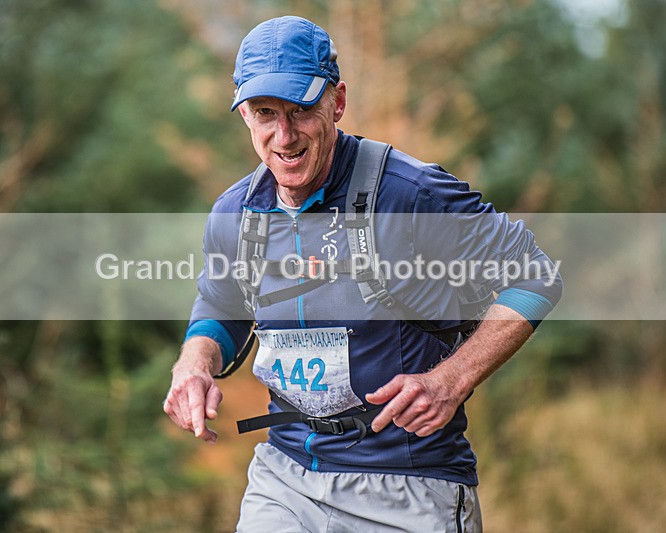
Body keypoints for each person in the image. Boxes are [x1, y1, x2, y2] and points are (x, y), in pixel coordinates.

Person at [164, 15, 562, 532]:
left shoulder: (411, 194)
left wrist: (452, 379)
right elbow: (222, 304)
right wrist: (194, 363)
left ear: (338, 102)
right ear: (244, 114)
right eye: (264, 113)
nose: (283, 136)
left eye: (302, 110)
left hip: (407, 484)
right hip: (285, 479)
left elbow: (535, 276)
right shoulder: (235, 213)